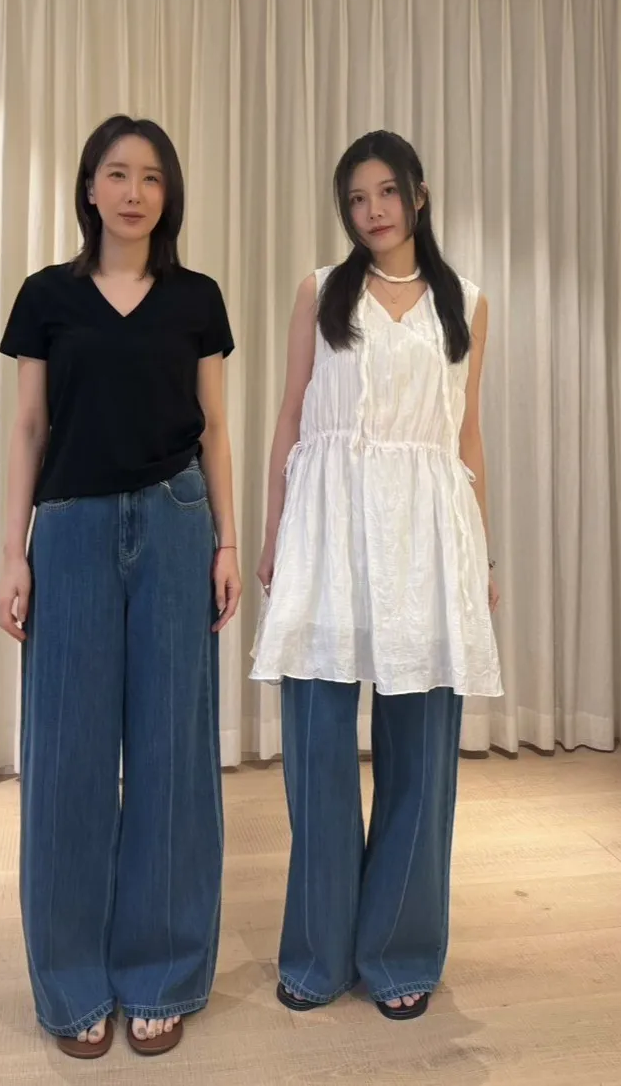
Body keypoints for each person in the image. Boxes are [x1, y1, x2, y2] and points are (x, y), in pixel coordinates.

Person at [0, 115, 240, 1059]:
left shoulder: (197, 298)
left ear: (168, 195)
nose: (134, 192)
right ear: (89, 188)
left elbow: (214, 428)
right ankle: (71, 982)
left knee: (175, 757)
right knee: (68, 760)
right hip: (71, 529)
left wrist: (226, 540)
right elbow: (29, 427)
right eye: (117, 173)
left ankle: (162, 974)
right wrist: (13, 552)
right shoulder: (46, 296)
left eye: (151, 177)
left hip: (177, 524)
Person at [250, 129, 502, 1020]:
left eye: (387, 192)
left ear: (418, 195)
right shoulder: (320, 290)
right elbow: (289, 417)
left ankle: (399, 952)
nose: (372, 212)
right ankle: (319, 952)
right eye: (356, 199)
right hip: (328, 528)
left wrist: (481, 554)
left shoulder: (466, 302)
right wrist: (275, 533)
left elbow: (466, 436)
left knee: (421, 757)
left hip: (428, 537)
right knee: (317, 747)